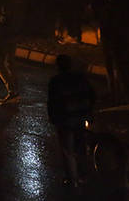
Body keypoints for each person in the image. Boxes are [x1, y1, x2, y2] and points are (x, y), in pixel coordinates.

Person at [47, 54, 96, 188]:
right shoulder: (81, 78)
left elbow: (53, 103)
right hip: (80, 118)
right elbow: (92, 96)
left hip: (65, 120)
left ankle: (71, 179)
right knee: (80, 147)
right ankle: (82, 175)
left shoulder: (56, 81)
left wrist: (53, 118)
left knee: (68, 150)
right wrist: (88, 113)